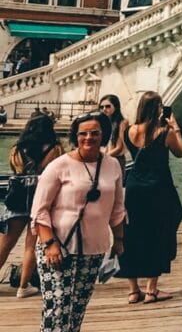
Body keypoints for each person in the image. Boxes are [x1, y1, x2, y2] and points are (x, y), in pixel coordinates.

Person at [31, 111, 125, 331]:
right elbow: (40, 209)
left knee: (77, 307)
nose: (89, 138)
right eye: (83, 133)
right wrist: (49, 244)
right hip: (58, 246)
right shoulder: (58, 166)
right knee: (57, 308)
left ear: (104, 135)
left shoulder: (112, 165)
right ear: (75, 136)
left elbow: (118, 207)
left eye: (95, 133)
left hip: (94, 247)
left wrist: (119, 239)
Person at [117, 91, 182, 304]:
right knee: (160, 234)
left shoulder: (128, 131)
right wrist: (176, 129)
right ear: (157, 109)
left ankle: (133, 290)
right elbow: (180, 152)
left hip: (135, 187)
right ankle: (151, 289)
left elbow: (122, 152)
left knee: (132, 235)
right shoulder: (164, 132)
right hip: (159, 188)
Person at [0, 113, 63, 298]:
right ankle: (24, 286)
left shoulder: (17, 148)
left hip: (17, 199)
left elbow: (15, 169)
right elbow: (57, 170)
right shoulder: (55, 148)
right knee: (31, 246)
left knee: (4, 245)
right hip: (40, 199)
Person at [99, 94, 128, 177]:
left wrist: (102, 159)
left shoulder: (122, 123)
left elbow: (119, 148)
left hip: (115, 160)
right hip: (103, 159)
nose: (104, 109)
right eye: (101, 107)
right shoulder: (101, 123)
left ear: (115, 107)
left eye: (108, 106)